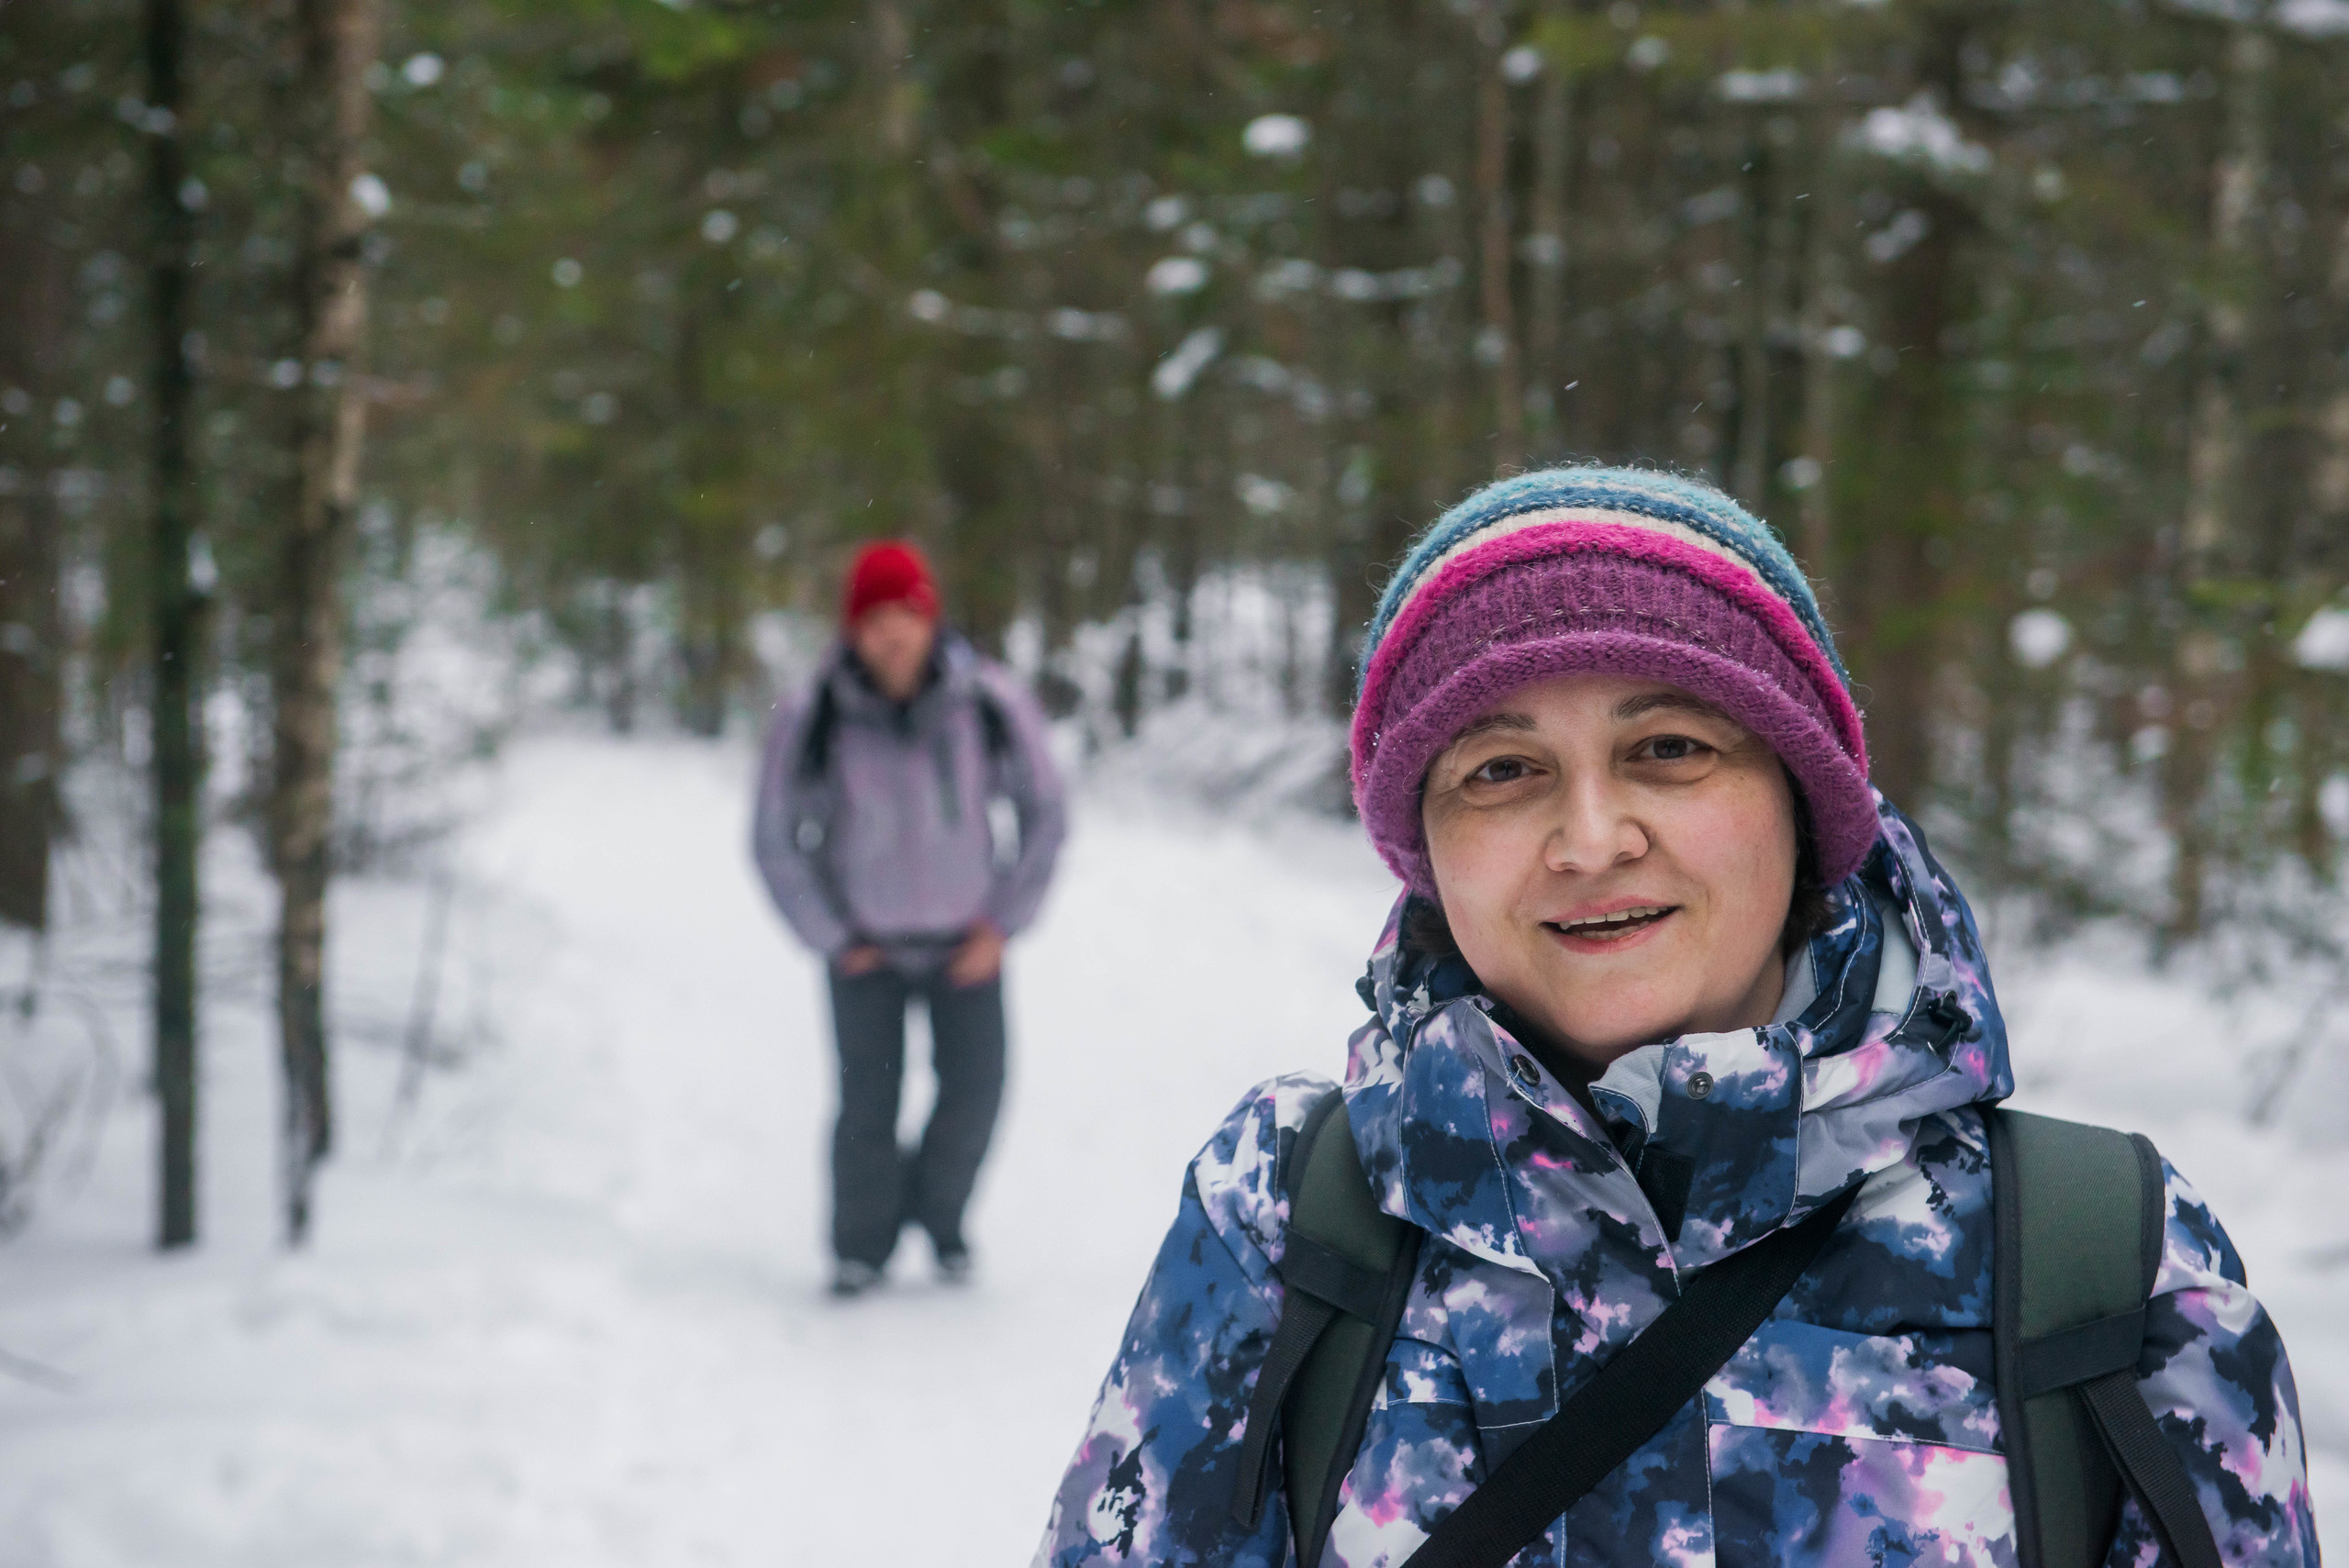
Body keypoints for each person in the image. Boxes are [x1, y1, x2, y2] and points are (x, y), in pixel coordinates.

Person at [1035, 468, 2316, 1566]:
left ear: (1802, 802)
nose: (1591, 837)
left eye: (1670, 750)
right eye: (1503, 770)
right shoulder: (1289, 1220)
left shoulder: (2096, 1260)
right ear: (1423, 842)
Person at [754, 540, 1065, 1298]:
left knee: (978, 1090)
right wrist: (832, 936)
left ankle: (940, 1215)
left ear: (930, 620)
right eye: (875, 618)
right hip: (866, 948)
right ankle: (861, 1245)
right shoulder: (815, 712)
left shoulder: (987, 701)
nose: (892, 633)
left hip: (970, 943)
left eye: (906, 615)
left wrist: (1001, 925)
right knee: (868, 1104)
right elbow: (772, 835)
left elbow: (1046, 811)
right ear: (852, 629)